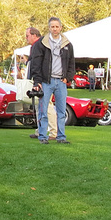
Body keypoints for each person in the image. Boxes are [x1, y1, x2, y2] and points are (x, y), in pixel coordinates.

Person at [28, 16, 74, 145]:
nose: (55, 29)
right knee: (43, 110)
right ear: (49, 28)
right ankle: (42, 136)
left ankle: (61, 137)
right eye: (52, 27)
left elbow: (71, 63)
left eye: (57, 26)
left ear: (60, 27)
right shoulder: (42, 43)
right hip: (46, 81)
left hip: (61, 81)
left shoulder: (67, 44)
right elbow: (36, 64)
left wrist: (68, 78)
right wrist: (37, 82)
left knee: (61, 111)